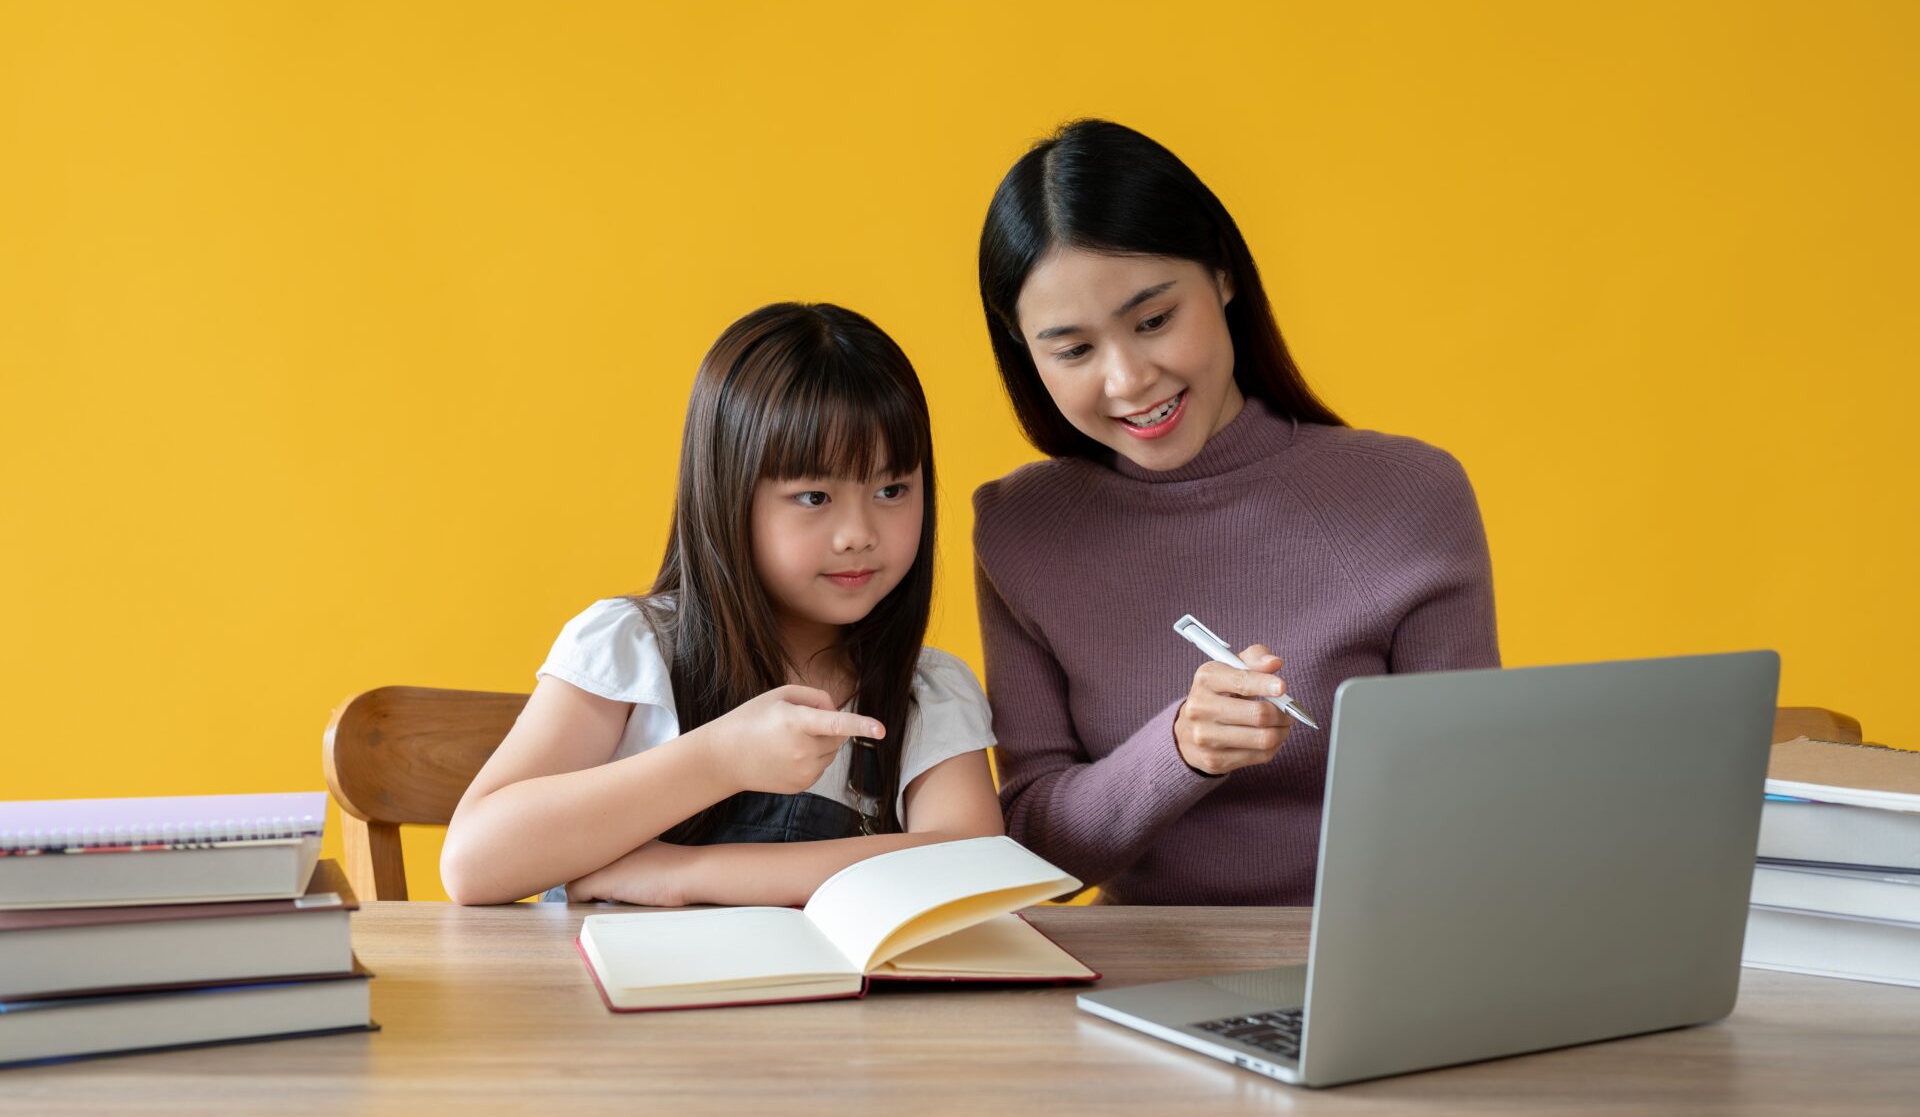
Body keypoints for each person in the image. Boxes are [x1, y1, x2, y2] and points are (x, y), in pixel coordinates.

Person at [972, 119, 1499, 905]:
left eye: (1153, 321)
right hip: (1136, 983)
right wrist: (1179, 752)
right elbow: (1033, 854)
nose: (1127, 379)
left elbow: (1474, 810)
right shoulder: (1021, 529)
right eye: (1074, 350)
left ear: (1223, 276)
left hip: (1380, 963)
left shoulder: (1411, 496)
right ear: (1025, 352)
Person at [440, 303, 1002, 906]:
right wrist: (718, 759)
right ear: (726, 496)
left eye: (892, 489)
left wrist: (678, 874)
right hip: (614, 999)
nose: (858, 533)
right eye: (814, 496)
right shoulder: (633, 651)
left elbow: (975, 865)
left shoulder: (927, 693)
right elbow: (475, 862)